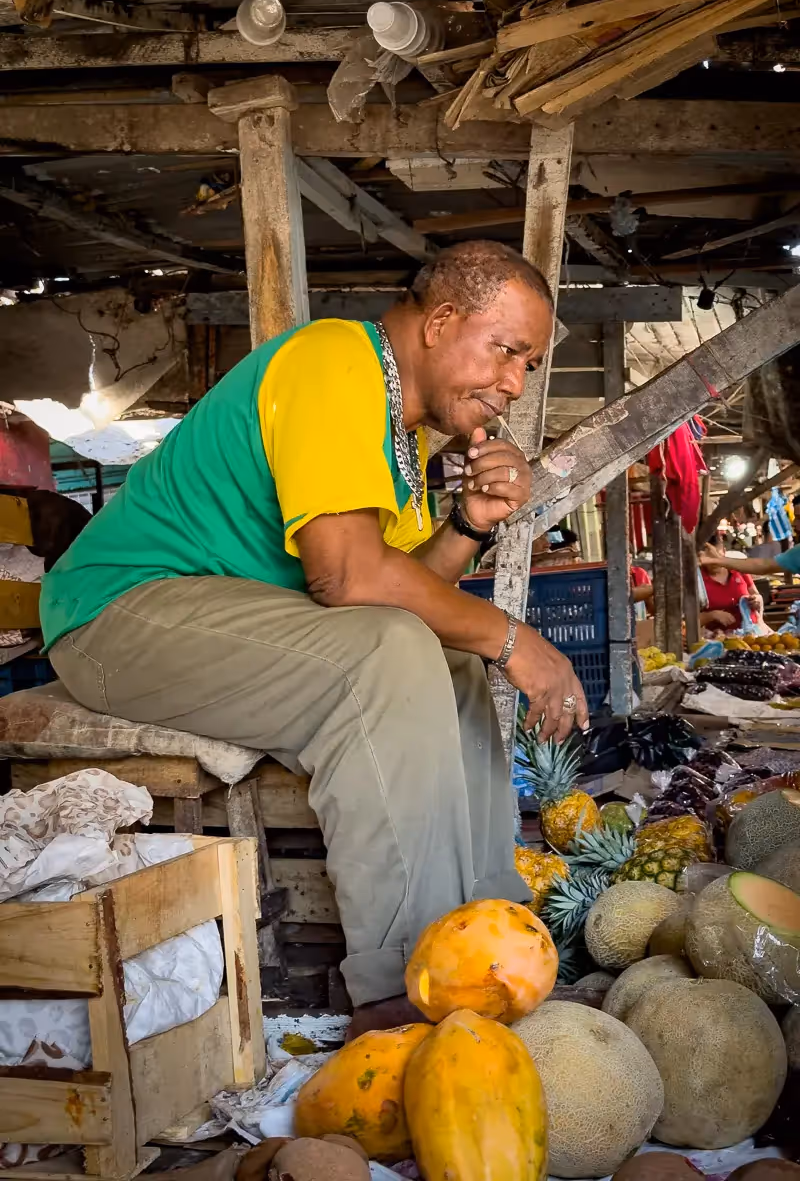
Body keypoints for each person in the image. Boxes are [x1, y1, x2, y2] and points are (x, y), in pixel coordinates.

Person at [40, 241, 589, 1035]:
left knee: (450, 663)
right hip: (118, 616)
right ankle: (408, 989)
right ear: (440, 322)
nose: (513, 383)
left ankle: (489, 940)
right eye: (506, 351)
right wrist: (517, 640)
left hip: (222, 618)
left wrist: (470, 523)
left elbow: (398, 586)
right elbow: (349, 580)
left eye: (527, 365)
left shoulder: (398, 435)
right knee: (392, 656)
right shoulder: (337, 360)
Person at [699, 536, 762, 633]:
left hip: (752, 635)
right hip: (718, 639)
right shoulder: (697, 579)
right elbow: (688, 621)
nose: (714, 562)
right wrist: (712, 615)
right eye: (709, 558)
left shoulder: (739, 569)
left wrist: (756, 600)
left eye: (717, 557)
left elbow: (756, 594)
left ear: (724, 551)